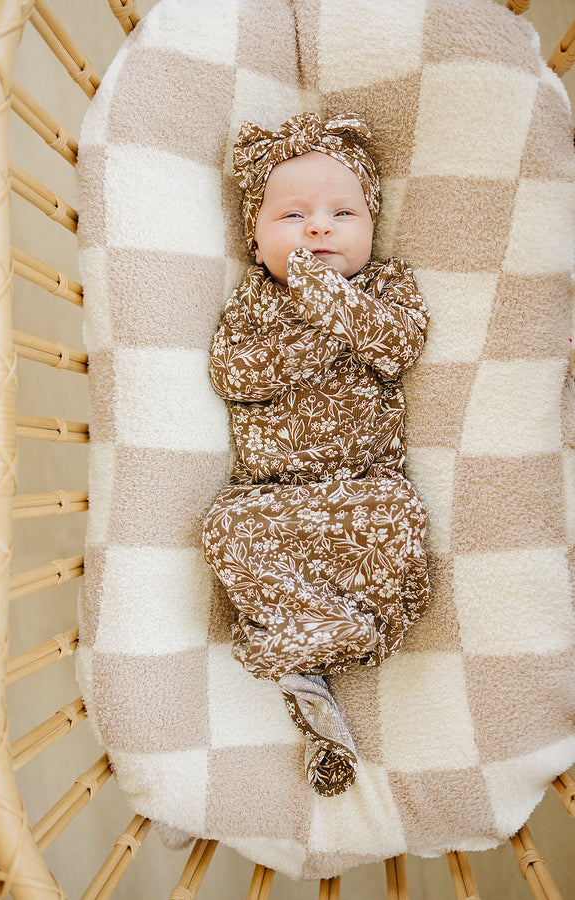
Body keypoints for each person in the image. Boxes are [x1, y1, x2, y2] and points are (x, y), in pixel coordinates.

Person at [202, 113, 430, 796]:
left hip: (363, 486)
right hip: (272, 496)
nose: (319, 229)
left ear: (372, 225)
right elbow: (234, 376)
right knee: (222, 527)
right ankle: (318, 646)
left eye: (342, 213)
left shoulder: (385, 286)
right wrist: (318, 326)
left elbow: (399, 346)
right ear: (255, 236)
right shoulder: (253, 302)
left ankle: (333, 641)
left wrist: (333, 300)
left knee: (400, 511)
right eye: (293, 215)